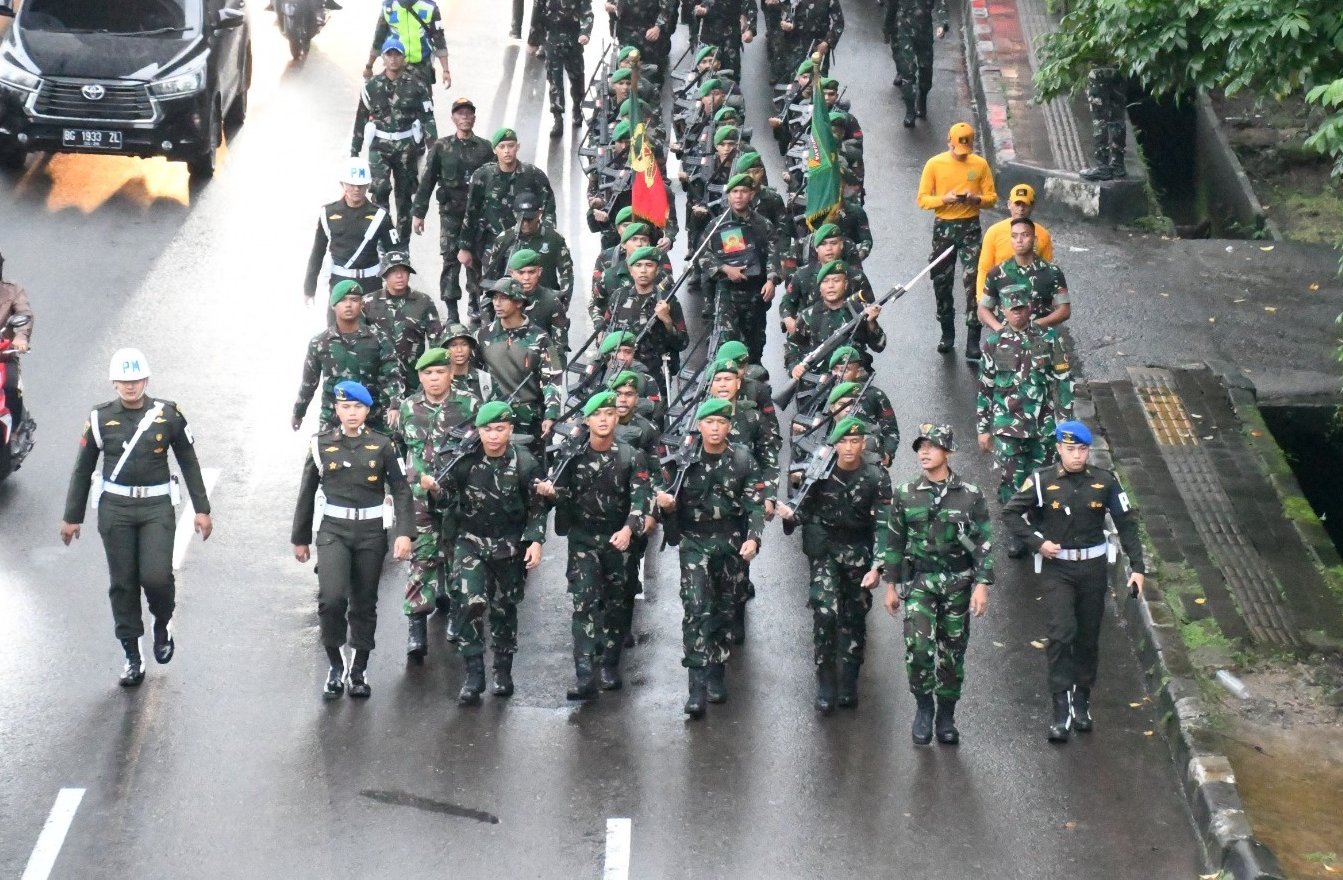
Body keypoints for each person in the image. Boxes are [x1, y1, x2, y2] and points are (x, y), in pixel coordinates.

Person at [60, 348, 213, 686]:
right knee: (123, 583)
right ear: (114, 383)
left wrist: (202, 509)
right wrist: (72, 517)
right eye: (124, 381)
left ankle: (162, 622)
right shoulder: (99, 418)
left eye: (136, 380)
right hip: (115, 509)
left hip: (156, 506)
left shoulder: (167, 414)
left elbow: (188, 460)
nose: (130, 387)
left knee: (156, 577)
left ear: (146, 380)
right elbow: (83, 468)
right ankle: (132, 655)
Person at [1001, 421, 1145, 741]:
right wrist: (1037, 542)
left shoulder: (1105, 481)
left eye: (1082, 449)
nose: (1077, 456)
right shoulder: (1042, 481)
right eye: (1070, 449)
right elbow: (1010, 513)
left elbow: (1126, 523)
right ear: (1059, 449)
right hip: (1058, 569)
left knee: (1088, 637)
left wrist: (1138, 567)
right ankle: (1060, 709)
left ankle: (1082, 701)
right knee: (1060, 634)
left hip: (1093, 568)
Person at [870, 423, 991, 744]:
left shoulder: (970, 495)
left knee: (952, 652)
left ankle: (946, 715)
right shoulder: (905, 493)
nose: (924, 452)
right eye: (920, 447)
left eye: (932, 446)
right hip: (920, 582)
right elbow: (894, 543)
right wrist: (890, 586)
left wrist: (982, 584)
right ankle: (924, 708)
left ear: (948, 452)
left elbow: (982, 543)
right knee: (918, 648)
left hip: (958, 583)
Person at [292, 381, 414, 699]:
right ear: (336, 409)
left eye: (358, 407)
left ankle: (359, 669)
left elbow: (401, 489)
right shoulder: (320, 444)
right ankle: (336, 665)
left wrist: (404, 533)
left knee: (364, 602)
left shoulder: (383, 445)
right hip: (333, 530)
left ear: (367, 410)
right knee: (331, 599)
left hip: (371, 532)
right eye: (345, 407)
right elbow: (307, 491)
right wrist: (300, 538)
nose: (351, 413)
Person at [536, 391, 654, 697]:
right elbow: (560, 494)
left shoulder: (631, 456)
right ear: (587, 421)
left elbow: (641, 500)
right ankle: (585, 672)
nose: (603, 420)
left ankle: (610, 664)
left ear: (616, 418)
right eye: (597, 415)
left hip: (619, 540)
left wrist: (629, 529)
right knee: (584, 602)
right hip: (583, 539)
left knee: (619, 602)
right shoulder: (571, 455)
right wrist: (551, 493)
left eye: (609, 414)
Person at [655, 398, 765, 718]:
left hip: (730, 543)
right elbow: (664, 494)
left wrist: (753, 538)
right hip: (694, 541)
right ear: (699, 426)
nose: (715, 429)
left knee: (725, 609)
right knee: (696, 607)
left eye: (721, 423)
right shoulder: (684, 459)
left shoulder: (742, 459)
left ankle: (717, 669)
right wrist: (665, 504)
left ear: (729, 427)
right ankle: (696, 684)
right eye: (709, 423)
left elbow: (755, 504)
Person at [438, 401, 549, 705]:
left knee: (504, 608)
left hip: (508, 545)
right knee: (469, 602)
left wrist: (535, 541)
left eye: (500, 429)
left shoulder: (525, 462)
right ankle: (474, 674)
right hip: (470, 541)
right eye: (487, 429)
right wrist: (433, 489)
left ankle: (502, 670)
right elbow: (445, 497)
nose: (494, 436)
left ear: (510, 430)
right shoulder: (464, 459)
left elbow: (537, 507)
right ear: (479, 431)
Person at [778, 416, 891, 712]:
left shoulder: (876, 477)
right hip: (826, 549)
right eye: (843, 441)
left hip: (858, 551)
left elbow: (884, 524)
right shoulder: (820, 471)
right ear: (835, 444)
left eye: (855, 441)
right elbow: (804, 509)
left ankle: (849, 677)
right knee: (825, 611)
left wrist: (877, 566)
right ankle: (826, 677)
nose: (849, 447)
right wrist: (790, 514)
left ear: (863, 444)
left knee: (855, 615)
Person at [975, 285, 1073, 549]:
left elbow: (1063, 380)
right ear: (1003, 310)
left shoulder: (1049, 338)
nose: (1018, 313)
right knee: (1012, 482)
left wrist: (1065, 420)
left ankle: (1041, 529)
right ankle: (1018, 534)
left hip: (1044, 426)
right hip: (1008, 428)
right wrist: (983, 428)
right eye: (1012, 309)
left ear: (1029, 307)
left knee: (1044, 479)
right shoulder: (994, 343)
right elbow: (985, 388)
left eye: (1022, 308)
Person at [399, 347, 476, 661]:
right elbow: (402, 447)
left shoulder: (469, 404)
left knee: (457, 555)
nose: (434, 379)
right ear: (420, 377)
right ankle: (416, 625)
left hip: (456, 494)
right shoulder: (409, 407)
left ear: (450, 373)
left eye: (440, 372)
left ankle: (458, 614)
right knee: (422, 557)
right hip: (420, 496)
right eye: (428, 373)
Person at [916, 122, 997, 358]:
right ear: (949, 141)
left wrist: (975, 199)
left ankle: (973, 338)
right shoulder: (934, 164)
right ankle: (947, 333)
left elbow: (992, 198)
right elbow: (922, 199)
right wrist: (945, 199)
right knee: (942, 279)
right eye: (956, 148)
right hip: (944, 227)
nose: (961, 153)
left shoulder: (979, 164)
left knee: (974, 281)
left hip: (970, 226)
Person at [412, 97, 495, 324]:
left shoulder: (485, 148)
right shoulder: (441, 147)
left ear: (474, 117)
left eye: (468, 113)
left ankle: (475, 301)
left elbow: (494, 180)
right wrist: (419, 213)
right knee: (450, 259)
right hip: (451, 214)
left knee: (475, 259)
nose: (464, 117)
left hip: (477, 215)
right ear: (453, 118)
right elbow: (427, 180)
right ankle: (451, 311)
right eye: (460, 113)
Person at [456, 128, 558, 305]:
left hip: (526, 241)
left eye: (511, 146)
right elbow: (471, 212)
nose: (507, 151)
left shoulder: (533, 175)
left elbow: (548, 205)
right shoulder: (482, 176)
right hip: (493, 243)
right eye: (502, 147)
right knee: (496, 288)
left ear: (517, 147)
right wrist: (464, 247)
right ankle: (487, 312)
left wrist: (546, 235)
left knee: (528, 284)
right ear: (494, 149)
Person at [353, 37, 437, 245]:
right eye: (389, 54)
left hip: (406, 147)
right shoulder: (372, 86)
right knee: (379, 190)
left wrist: (434, 149)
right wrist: (354, 151)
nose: (393, 59)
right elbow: (361, 118)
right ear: (383, 57)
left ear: (403, 57)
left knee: (405, 196)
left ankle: (402, 244)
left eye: (397, 54)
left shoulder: (417, 85)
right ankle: (384, 239)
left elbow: (428, 118)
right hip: (379, 147)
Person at [293, 281, 404, 435]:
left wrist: (395, 405)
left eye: (354, 299)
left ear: (361, 304)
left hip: (371, 417)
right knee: (323, 450)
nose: (348, 305)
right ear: (333, 305)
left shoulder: (378, 339)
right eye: (343, 300)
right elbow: (309, 382)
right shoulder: (320, 343)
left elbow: (393, 375)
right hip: (333, 418)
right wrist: (299, 412)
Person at [699, 173, 783, 365]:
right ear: (728, 195)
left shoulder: (763, 225)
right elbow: (703, 256)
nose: (739, 196)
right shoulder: (716, 225)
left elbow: (774, 254)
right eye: (734, 191)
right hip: (727, 293)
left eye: (743, 191)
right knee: (726, 343)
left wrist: (771, 280)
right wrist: (724, 268)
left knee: (755, 344)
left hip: (755, 292)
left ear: (751, 194)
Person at [476, 280, 561, 460]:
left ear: (519, 302)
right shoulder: (482, 335)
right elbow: (473, 374)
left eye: (504, 298)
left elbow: (553, 378)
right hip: (493, 419)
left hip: (530, 419)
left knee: (533, 469)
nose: (497, 303)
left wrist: (551, 414)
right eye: (495, 298)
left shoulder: (542, 338)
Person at [304, 159, 399, 307]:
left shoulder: (380, 215)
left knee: (373, 321)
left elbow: (395, 253)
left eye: (361, 185)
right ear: (342, 184)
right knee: (336, 322)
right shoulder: (327, 213)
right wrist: (309, 288)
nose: (356, 189)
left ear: (367, 185)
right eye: (351, 184)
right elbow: (317, 252)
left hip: (371, 284)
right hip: (340, 283)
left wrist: (397, 288)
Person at [784, 260, 884, 381]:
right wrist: (794, 367)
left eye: (836, 280)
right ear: (820, 288)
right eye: (825, 281)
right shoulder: (808, 316)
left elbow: (879, 346)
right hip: (820, 380)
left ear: (845, 284)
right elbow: (792, 345)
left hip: (855, 379)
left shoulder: (859, 311)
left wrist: (872, 322)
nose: (831, 286)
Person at [362, 250, 444, 384]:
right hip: (378, 379)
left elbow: (437, 343)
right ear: (384, 275)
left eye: (404, 271)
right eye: (394, 271)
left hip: (413, 378)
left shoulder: (424, 302)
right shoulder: (368, 302)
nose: (399, 276)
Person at [484, 191, 576, 307]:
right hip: (513, 306)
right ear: (514, 214)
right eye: (522, 219)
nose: (525, 224)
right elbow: (491, 277)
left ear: (539, 213)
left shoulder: (554, 238)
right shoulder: (504, 239)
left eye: (529, 219)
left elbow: (566, 273)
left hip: (547, 304)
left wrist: (563, 302)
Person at [977, 218, 1070, 331]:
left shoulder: (1052, 272)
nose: (1019, 240)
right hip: (1007, 336)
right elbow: (983, 308)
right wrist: (1000, 330)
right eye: (1014, 236)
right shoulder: (997, 273)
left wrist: (1037, 324)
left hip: (1042, 336)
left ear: (1034, 239)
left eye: (1025, 235)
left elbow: (1064, 310)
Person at [975, 183, 1053, 301]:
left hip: (1030, 296)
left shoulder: (1043, 235)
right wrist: (981, 300)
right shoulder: (994, 232)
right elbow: (984, 269)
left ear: (1032, 206)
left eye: (1025, 204)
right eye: (1017, 204)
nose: (1021, 209)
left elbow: (1046, 272)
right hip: (1000, 294)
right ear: (1009, 204)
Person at [529, 0, 594, 136]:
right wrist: (533, 41)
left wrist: (585, 33)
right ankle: (557, 118)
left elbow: (587, 12)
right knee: (555, 81)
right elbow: (536, 13)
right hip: (552, 39)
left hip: (573, 40)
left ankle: (577, 107)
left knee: (577, 77)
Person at [883, 0, 948, 126]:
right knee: (907, 71)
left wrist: (942, 24)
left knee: (926, 68)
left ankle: (922, 98)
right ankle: (910, 110)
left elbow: (941, 4)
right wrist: (887, 28)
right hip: (904, 32)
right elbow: (892, 5)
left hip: (924, 32)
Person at [366, 0, 451, 88]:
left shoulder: (430, 7)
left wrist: (446, 71)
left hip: (422, 66)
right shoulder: (388, 7)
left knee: (422, 95)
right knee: (395, 95)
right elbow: (378, 39)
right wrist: (369, 66)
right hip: (396, 66)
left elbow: (439, 39)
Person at [0, 253, 33, 433]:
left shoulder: (12, 291)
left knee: (10, 387)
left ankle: (15, 429)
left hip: (3, 358)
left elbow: (24, 314)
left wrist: (20, 337)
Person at [1080, 66, 1127, 181]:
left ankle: (1103, 167)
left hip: (1098, 72)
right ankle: (1118, 164)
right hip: (1119, 68)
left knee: (1099, 120)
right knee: (1117, 117)